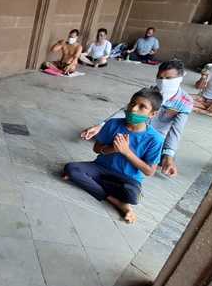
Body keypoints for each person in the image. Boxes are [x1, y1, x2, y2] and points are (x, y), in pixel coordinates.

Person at [65, 88, 164, 224]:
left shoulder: (155, 139)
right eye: (132, 103)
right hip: (101, 168)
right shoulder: (113, 124)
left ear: (152, 114)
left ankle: (91, 183)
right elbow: (97, 149)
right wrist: (113, 149)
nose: (134, 109)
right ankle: (115, 200)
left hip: (127, 179)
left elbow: (149, 171)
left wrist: (126, 152)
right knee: (72, 168)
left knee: (132, 195)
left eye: (142, 107)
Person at [81, 60, 192, 178]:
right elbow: (127, 110)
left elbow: (176, 132)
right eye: (160, 77)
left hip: (155, 138)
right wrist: (101, 125)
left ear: (180, 78)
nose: (163, 82)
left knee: (159, 160)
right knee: (107, 138)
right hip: (134, 128)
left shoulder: (185, 102)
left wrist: (168, 157)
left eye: (168, 78)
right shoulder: (151, 92)